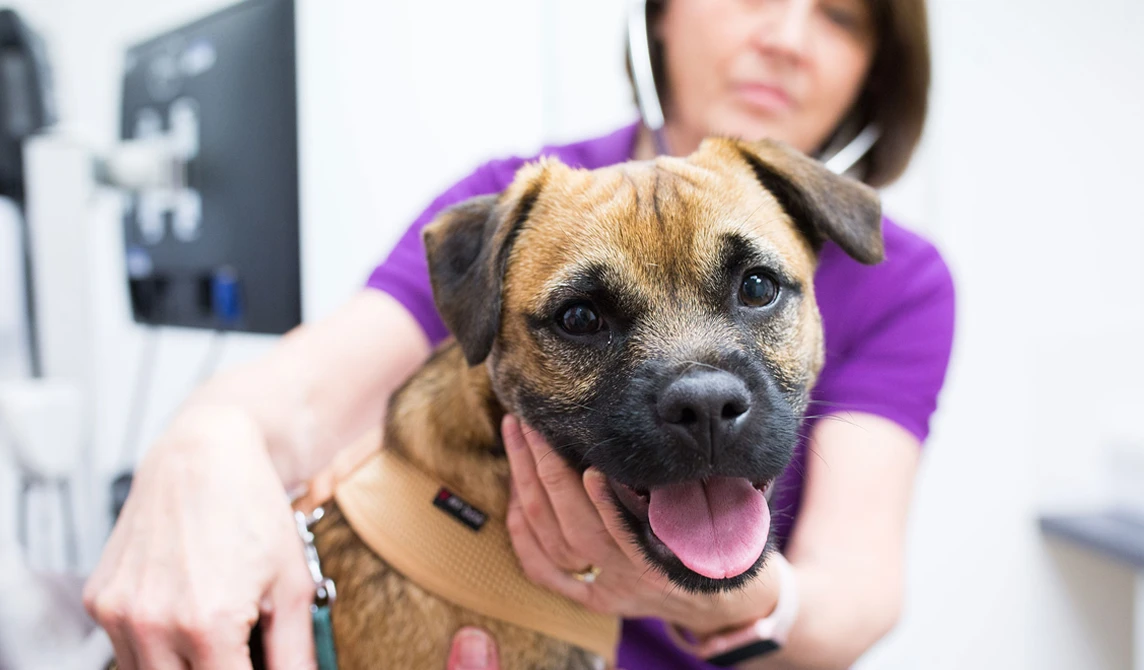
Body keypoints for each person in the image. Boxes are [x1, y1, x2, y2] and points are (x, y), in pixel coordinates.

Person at [84, 0, 954, 668]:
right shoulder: (520, 207)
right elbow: (300, 399)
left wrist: (722, 604)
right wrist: (203, 443)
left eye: (758, 289)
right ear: (661, 14)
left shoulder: (896, 273)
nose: (788, 36)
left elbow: (859, 592)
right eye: (583, 316)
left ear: (878, 64)